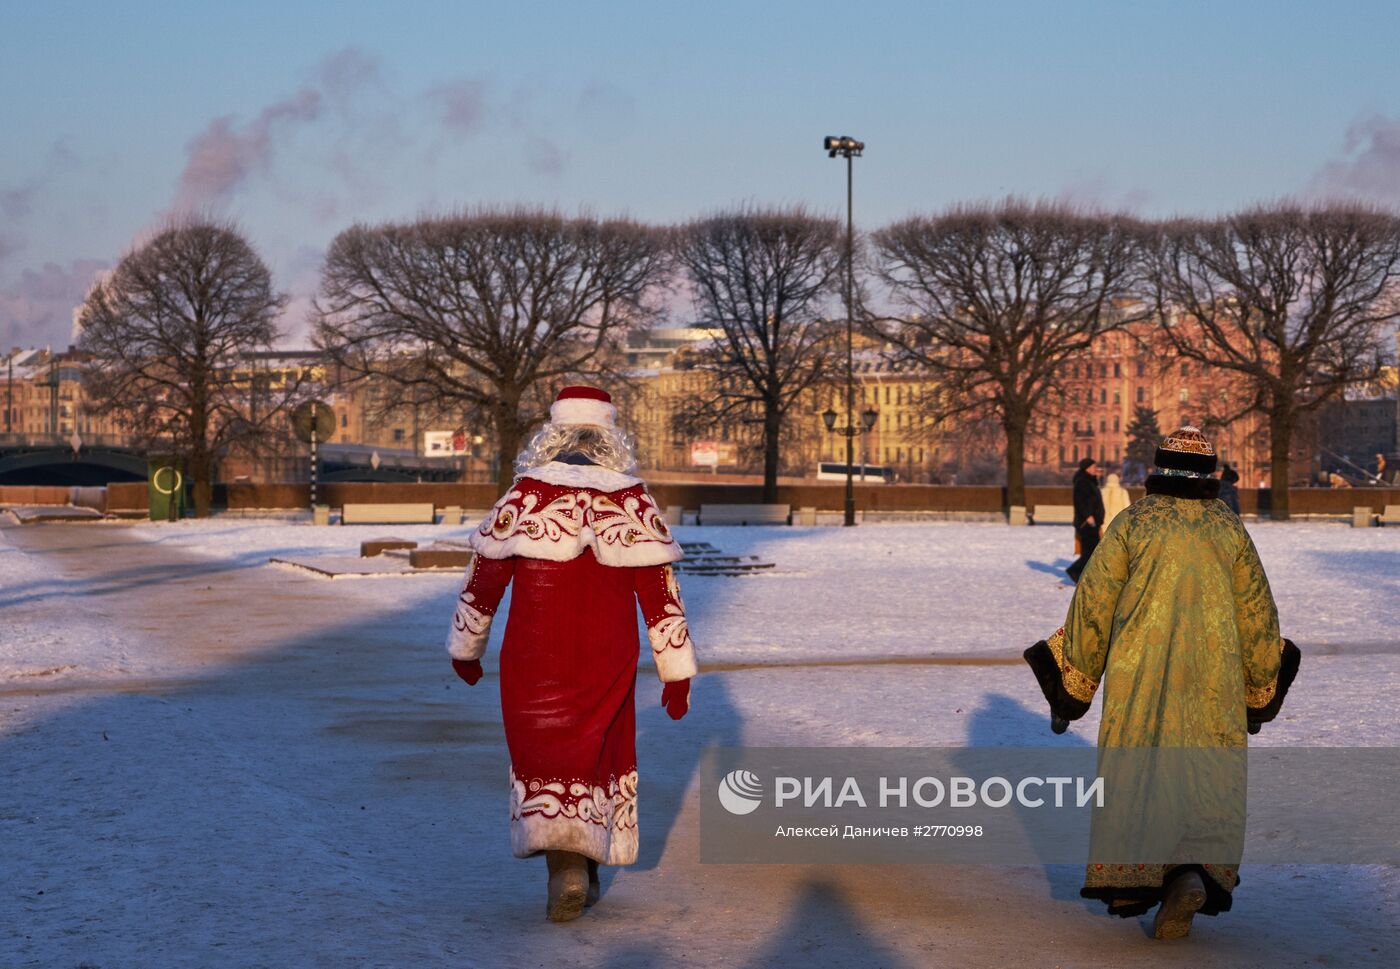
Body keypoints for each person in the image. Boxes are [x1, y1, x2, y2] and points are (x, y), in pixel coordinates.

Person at [1024, 426, 1300, 939]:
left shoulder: (1133, 522)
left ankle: (1141, 880)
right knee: (1205, 778)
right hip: (1214, 681)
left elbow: (1093, 605)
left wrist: (1072, 686)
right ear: (1209, 472)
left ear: (1158, 466)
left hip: (1142, 678)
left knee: (1142, 773)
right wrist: (1260, 689)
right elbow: (1259, 613)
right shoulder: (1229, 528)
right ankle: (1191, 873)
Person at [446, 385, 698, 923]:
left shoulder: (526, 496)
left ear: (552, 435)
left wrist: (467, 646)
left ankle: (565, 866)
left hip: (535, 657)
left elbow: (484, 577)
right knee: (598, 752)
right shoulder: (631, 501)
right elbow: (660, 593)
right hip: (607, 655)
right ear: (610, 437)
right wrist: (675, 670)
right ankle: (584, 864)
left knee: (546, 760)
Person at [1065, 458, 1105, 584]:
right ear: (1087, 468)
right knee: (1091, 551)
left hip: (1092, 522)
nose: (1096, 469)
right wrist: (1089, 517)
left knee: (1092, 551)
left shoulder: (1090, 481)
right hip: (1086, 523)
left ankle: (1084, 575)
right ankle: (1074, 571)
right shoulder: (1082, 482)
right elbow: (1080, 501)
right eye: (1094, 467)